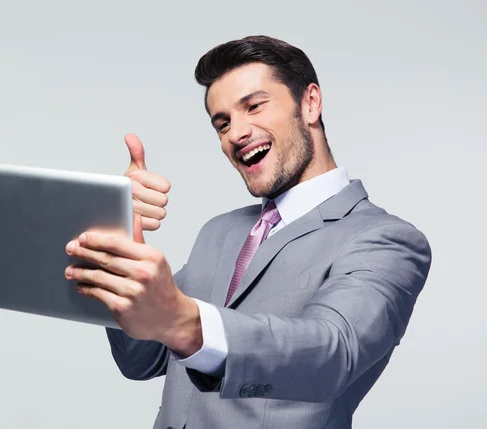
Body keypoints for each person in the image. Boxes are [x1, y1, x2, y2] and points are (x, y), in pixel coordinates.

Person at [63, 35, 432, 429]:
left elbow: (332, 354)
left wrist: (186, 320)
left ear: (310, 102)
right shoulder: (218, 232)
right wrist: (120, 240)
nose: (236, 133)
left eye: (254, 106)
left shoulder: (385, 240)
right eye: (222, 123)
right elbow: (141, 360)